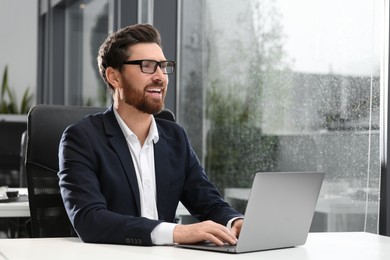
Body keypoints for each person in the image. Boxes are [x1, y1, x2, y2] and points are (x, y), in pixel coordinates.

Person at [58, 23, 243, 246]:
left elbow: (208, 202)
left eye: (163, 67)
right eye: (147, 66)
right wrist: (175, 233)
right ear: (114, 77)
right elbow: (90, 220)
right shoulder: (81, 139)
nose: (160, 77)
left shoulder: (175, 138)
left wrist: (234, 221)